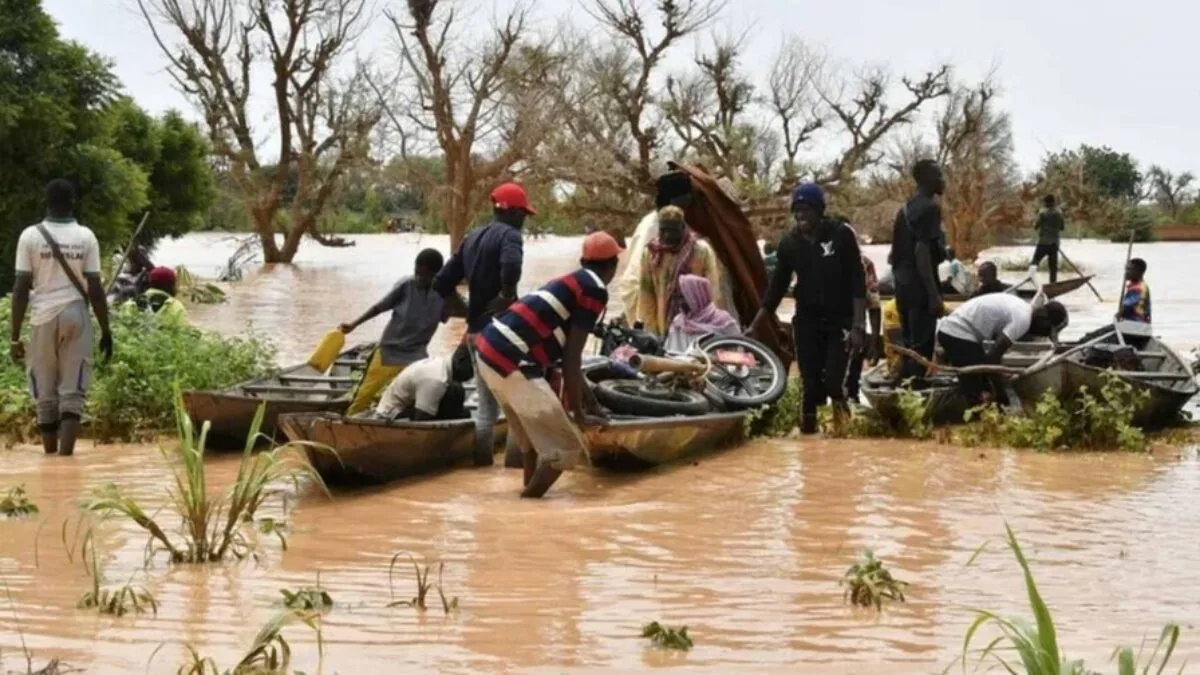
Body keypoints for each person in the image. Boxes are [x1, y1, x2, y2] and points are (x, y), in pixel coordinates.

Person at [475, 232, 622, 498]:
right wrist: (579, 415)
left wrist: (591, 404)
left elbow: (567, 359)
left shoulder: (570, 282)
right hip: (513, 359)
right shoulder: (595, 289)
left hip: (488, 351)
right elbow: (573, 358)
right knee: (567, 449)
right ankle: (526, 505)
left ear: (583, 262)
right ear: (614, 265)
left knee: (534, 444)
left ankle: (524, 512)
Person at [748, 183, 866, 434]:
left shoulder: (841, 234)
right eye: (797, 211)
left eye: (806, 210)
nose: (801, 216)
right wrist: (755, 326)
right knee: (810, 386)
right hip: (807, 322)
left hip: (840, 321)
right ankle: (808, 438)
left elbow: (858, 281)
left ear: (819, 210)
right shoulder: (789, 243)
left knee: (833, 381)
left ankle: (845, 429)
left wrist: (858, 326)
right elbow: (776, 288)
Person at [9, 179, 113, 457]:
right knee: (72, 391)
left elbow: (20, 288)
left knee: (45, 391)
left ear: (46, 202)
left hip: (42, 317)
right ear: (73, 203)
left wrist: (15, 337)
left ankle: (50, 458)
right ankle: (66, 458)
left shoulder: (29, 236)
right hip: (76, 314)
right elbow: (95, 288)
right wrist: (106, 329)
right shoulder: (86, 237)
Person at [434, 183, 531, 466]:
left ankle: (482, 469)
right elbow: (511, 265)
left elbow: (442, 281)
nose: (524, 220)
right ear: (513, 213)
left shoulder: (472, 237)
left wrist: (463, 307)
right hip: (503, 333)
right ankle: (515, 472)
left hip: (475, 333)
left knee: (486, 409)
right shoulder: (510, 236)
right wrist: (507, 296)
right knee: (517, 406)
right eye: (523, 214)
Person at [341, 249, 457, 415]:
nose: (418, 278)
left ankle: (403, 421)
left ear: (435, 276)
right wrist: (354, 324)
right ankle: (350, 419)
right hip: (389, 351)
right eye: (417, 273)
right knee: (365, 394)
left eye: (424, 276)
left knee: (417, 394)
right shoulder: (406, 285)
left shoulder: (444, 294)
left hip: (416, 354)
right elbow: (378, 308)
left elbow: (460, 311)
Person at [617, 170, 738, 326]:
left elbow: (712, 285)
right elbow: (638, 283)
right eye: (682, 202)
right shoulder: (651, 232)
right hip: (657, 315)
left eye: (687, 202)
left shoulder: (699, 244)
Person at [937, 294, 1068, 406]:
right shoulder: (1023, 320)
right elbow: (992, 358)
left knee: (984, 382)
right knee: (978, 395)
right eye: (1046, 330)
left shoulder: (1023, 308)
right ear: (1043, 317)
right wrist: (1002, 395)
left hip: (958, 330)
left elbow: (993, 355)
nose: (1043, 334)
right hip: (957, 333)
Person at [891, 159, 946, 381]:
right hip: (920, 289)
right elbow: (921, 253)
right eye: (939, 175)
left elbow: (894, 256)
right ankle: (917, 391)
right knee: (921, 351)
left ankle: (904, 391)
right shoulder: (931, 208)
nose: (943, 180)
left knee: (909, 347)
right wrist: (933, 295)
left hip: (902, 288)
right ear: (926, 179)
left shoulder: (904, 209)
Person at [633, 205, 725, 335]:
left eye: (673, 230)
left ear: (683, 227)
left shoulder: (701, 251)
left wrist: (708, 323)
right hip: (663, 323)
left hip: (696, 322)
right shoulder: (651, 253)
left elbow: (712, 289)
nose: (667, 235)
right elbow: (646, 293)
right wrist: (650, 329)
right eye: (663, 230)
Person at [374, 342, 474, 422]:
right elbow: (421, 419)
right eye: (473, 369)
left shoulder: (441, 365)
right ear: (461, 360)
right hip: (390, 416)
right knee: (454, 393)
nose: (472, 375)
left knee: (460, 403)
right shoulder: (436, 378)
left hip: (407, 408)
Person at [664, 274, 739, 351]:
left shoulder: (723, 321)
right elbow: (670, 351)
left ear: (697, 297)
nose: (680, 303)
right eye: (678, 297)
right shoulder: (679, 322)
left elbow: (737, 349)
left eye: (683, 297)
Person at [1031, 195, 1065, 284]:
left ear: (1045, 203)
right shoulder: (1059, 213)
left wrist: (1034, 221)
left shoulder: (1042, 212)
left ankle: (1031, 281)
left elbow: (1035, 226)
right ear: (1054, 202)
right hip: (1055, 244)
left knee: (1034, 263)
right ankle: (1052, 284)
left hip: (1043, 243)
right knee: (1053, 267)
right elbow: (1062, 227)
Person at [1119, 258, 1151, 323]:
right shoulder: (1137, 285)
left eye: (1129, 269)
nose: (1126, 272)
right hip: (1133, 323)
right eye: (1126, 269)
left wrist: (1120, 313)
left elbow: (1126, 307)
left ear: (1138, 272)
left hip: (1136, 324)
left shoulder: (1137, 288)